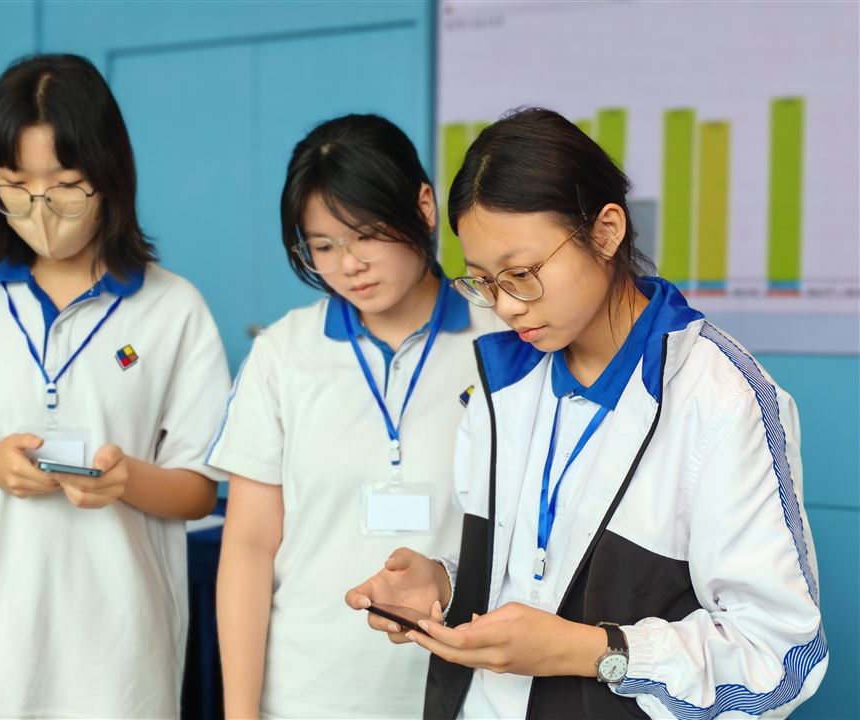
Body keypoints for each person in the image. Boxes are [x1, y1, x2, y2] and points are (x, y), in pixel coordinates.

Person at [346, 107, 826, 719]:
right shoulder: (502, 383)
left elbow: (779, 656)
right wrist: (445, 582)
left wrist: (590, 651)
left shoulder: (720, 399)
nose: (505, 306)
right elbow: (534, 571)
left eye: (522, 274)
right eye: (483, 282)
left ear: (605, 231)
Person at [0, 54, 231, 718]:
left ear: (110, 178)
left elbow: (198, 490)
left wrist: (126, 480)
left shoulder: (173, 308)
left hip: (116, 647)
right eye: (16, 188)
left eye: (66, 188)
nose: (41, 211)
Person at [207, 113, 499, 718]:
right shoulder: (283, 354)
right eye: (323, 246)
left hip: (469, 689)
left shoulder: (502, 339)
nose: (348, 265)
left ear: (424, 207)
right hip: (309, 691)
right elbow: (249, 546)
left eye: (366, 235)